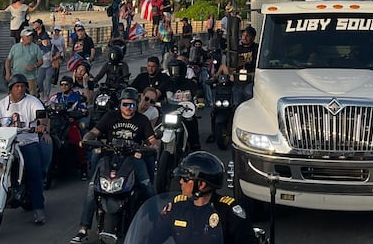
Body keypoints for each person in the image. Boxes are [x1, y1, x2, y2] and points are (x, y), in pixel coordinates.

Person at [71, 87, 158, 244]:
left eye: (132, 105)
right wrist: (87, 138)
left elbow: (153, 141)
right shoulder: (110, 116)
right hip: (109, 157)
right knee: (92, 187)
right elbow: (94, 132)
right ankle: (83, 229)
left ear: (136, 105)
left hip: (134, 157)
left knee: (147, 186)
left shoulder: (142, 120)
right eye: (125, 104)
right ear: (120, 104)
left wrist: (150, 148)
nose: (128, 108)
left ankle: (155, 223)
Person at [0, 74, 51, 225]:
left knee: (33, 171)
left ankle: (39, 209)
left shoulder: (32, 101)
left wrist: (41, 125)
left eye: (23, 86)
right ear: (10, 88)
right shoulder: (2, 103)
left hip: (26, 141)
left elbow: (41, 115)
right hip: (5, 143)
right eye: (17, 86)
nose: (20, 89)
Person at [156, 151, 259, 244]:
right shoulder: (178, 207)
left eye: (185, 179)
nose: (181, 182)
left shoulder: (228, 212)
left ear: (201, 184)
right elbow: (154, 234)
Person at [165, 59, 202, 151]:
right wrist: (150, 99)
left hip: (186, 114)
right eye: (172, 70)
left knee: (193, 132)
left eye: (177, 70)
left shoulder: (190, 84)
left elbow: (199, 93)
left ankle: (195, 150)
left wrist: (200, 101)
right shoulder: (166, 83)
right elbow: (156, 93)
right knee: (160, 129)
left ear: (183, 71)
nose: (175, 73)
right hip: (171, 113)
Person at [218, 26, 259, 107]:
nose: (244, 37)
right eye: (243, 35)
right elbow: (229, 68)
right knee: (236, 104)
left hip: (251, 82)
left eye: (247, 35)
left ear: (253, 38)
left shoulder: (257, 48)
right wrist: (237, 65)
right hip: (237, 82)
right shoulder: (236, 49)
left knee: (250, 100)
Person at [5, 27, 43, 94]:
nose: (30, 37)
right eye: (28, 36)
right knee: (15, 95)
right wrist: (7, 73)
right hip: (16, 76)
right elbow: (8, 61)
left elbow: (40, 61)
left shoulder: (35, 47)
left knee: (31, 96)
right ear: (22, 37)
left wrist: (34, 66)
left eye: (31, 36)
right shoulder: (15, 47)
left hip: (30, 77)